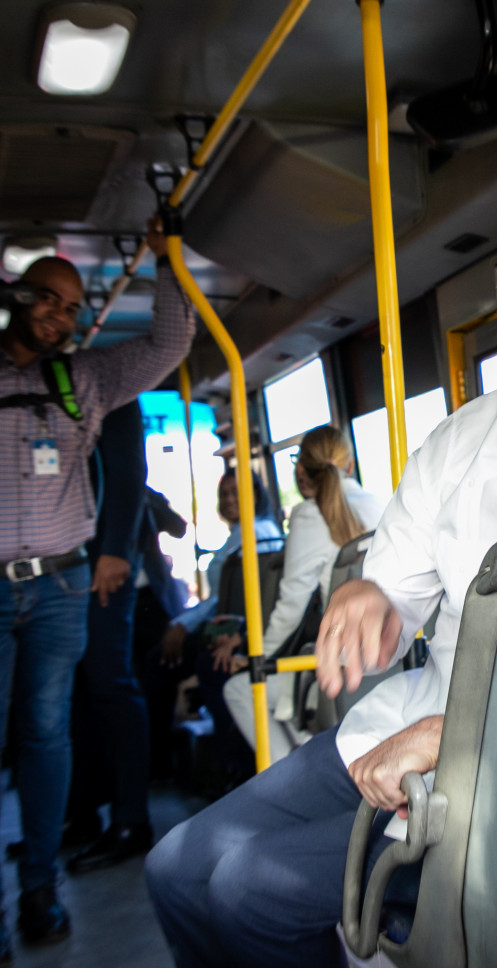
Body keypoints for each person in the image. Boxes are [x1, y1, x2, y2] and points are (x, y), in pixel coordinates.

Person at [146, 208, 497, 968]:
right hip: (405, 729)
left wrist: (454, 737)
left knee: (249, 891)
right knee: (176, 870)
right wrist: (373, 600)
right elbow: (396, 590)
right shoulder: (462, 440)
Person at [0, 217, 194, 953]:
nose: (60, 315)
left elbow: (170, 344)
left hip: (60, 586)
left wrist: (167, 259)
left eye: (72, 307)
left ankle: (40, 887)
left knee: (47, 731)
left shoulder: (84, 380)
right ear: (19, 296)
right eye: (48, 299)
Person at [215, 425, 385, 765]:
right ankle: (312, 758)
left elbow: (291, 606)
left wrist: (258, 658)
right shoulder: (379, 504)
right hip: (387, 657)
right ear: (350, 465)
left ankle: (291, 775)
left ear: (303, 469)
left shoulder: (309, 514)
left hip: (339, 667)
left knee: (239, 689)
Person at [64, 399, 156, 873]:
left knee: (110, 683)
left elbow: (127, 470)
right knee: (75, 692)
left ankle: (131, 821)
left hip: (103, 558)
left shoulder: (105, 381)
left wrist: (116, 548)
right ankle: (81, 811)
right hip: (63, 562)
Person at [144, 469, 281, 784]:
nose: (230, 499)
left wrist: (183, 624)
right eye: (225, 494)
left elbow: (229, 598)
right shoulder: (247, 533)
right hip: (228, 619)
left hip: (234, 624)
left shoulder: (253, 534)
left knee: (160, 662)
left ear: (255, 495)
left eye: (237, 492)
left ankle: (168, 765)